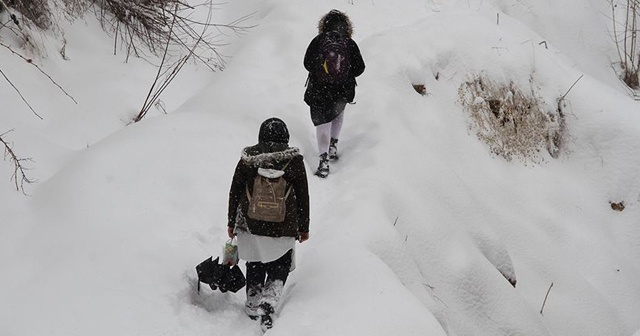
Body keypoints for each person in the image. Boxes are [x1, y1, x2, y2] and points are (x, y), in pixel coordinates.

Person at [227, 117, 310, 331]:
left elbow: (235, 191)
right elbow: (303, 196)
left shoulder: (248, 160)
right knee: (280, 263)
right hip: (283, 225)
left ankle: (253, 300)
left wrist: (231, 222)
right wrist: (304, 227)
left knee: (255, 261)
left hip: (250, 223)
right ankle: (269, 300)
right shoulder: (294, 161)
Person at [304, 9, 365, 178]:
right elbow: (360, 68)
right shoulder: (349, 43)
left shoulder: (318, 41)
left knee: (322, 122)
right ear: (346, 26)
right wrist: (343, 73)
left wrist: (322, 72)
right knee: (337, 111)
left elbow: (307, 63)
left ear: (323, 25)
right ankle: (333, 145)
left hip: (319, 90)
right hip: (342, 90)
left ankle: (323, 160)